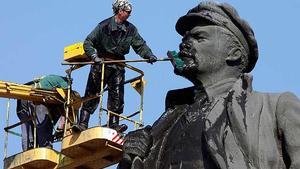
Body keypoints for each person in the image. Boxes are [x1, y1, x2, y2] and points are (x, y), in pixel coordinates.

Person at [119, 1, 300, 169]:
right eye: (184, 38)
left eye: (199, 37)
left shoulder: (275, 108)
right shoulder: (163, 124)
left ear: (233, 53)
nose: (184, 44)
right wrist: (131, 160)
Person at [73, 0, 157, 132]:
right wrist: (94, 57)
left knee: (117, 96)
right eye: (127, 12)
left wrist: (149, 55)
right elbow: (88, 42)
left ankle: (113, 124)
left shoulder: (131, 29)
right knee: (92, 93)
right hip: (102, 63)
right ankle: (83, 123)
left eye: (130, 13)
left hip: (118, 66)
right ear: (119, 11)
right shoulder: (104, 26)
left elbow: (140, 45)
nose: (129, 15)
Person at [16, 75, 68, 151]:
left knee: (26, 127)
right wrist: (60, 129)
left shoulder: (50, 79)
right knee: (43, 123)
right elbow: (67, 104)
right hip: (36, 95)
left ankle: (27, 150)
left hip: (22, 97)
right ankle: (45, 147)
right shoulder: (65, 83)